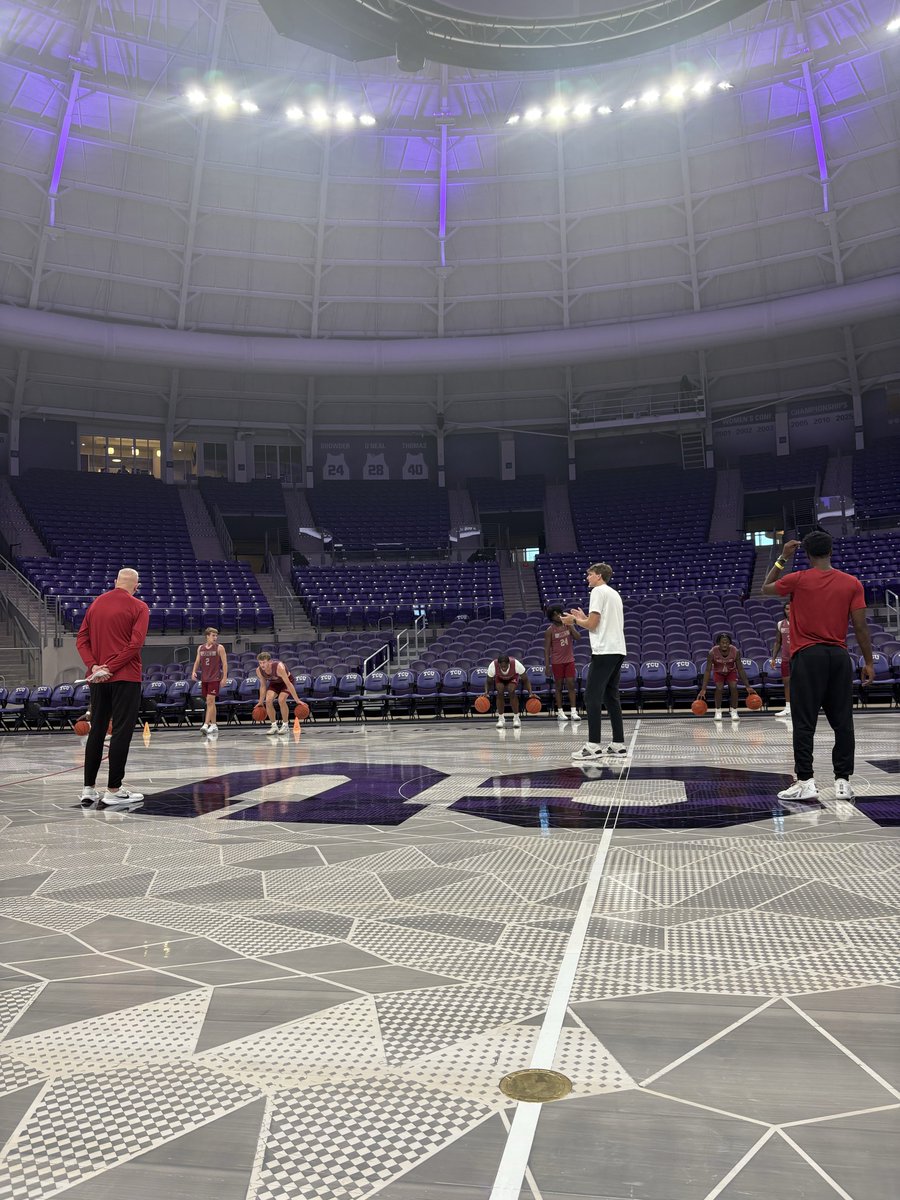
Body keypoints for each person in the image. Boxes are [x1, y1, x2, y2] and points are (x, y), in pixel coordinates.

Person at [762, 531, 874, 801]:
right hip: (838, 657)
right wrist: (868, 661)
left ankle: (805, 781)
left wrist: (782, 558)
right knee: (843, 722)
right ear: (831, 551)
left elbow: (766, 588)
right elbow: (860, 626)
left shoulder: (798, 579)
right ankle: (843, 782)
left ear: (808, 554)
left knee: (804, 723)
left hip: (808, 657)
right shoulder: (851, 583)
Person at [76, 567, 149, 808]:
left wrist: (95, 667)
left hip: (98, 679)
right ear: (136, 586)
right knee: (121, 731)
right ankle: (114, 789)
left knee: (97, 730)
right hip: (125, 677)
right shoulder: (139, 607)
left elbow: (81, 640)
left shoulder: (96, 603)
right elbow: (135, 644)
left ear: (116, 582)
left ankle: (88, 788)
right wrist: (111, 666)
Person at [562, 562, 626, 760]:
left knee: (591, 697)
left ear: (599, 576)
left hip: (604, 650)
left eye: (589, 574)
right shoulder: (614, 593)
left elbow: (592, 623)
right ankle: (618, 744)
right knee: (611, 697)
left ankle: (593, 746)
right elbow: (595, 623)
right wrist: (584, 617)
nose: (587, 578)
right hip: (618, 649)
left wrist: (574, 621)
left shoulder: (598, 592)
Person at [698, 633, 757, 722]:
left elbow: (740, 669)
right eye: (722, 642)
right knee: (719, 688)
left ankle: (734, 711)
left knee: (733, 687)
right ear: (718, 643)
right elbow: (707, 671)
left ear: (730, 643)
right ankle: (718, 711)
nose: (725, 644)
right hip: (718, 672)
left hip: (731, 671)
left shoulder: (735, 651)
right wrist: (703, 689)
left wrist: (747, 686)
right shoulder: (712, 652)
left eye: (727, 642)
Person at [544, 606, 581, 722]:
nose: (558, 616)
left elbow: (578, 637)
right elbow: (546, 650)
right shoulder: (550, 630)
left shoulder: (568, 625)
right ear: (551, 617)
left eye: (559, 613)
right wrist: (547, 666)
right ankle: (560, 712)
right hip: (557, 662)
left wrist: (571, 626)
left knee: (571, 685)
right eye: (555, 615)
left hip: (569, 660)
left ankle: (574, 712)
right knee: (558, 687)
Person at [191, 627, 228, 736]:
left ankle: (206, 724)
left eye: (216, 636)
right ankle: (214, 725)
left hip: (215, 678)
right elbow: (197, 661)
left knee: (210, 701)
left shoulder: (219, 648)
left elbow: (225, 663)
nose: (215, 638)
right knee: (210, 702)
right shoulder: (200, 648)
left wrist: (224, 677)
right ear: (207, 636)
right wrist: (193, 671)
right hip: (205, 678)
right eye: (213, 635)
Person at [256, 651, 303, 735]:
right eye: (260, 663)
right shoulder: (259, 670)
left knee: (281, 700)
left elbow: (288, 683)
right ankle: (274, 726)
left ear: (270, 661)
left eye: (264, 662)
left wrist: (297, 700)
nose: (262, 665)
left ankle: (285, 725)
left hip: (286, 682)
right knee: (268, 701)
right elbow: (263, 686)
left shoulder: (279, 667)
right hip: (275, 683)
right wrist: (260, 702)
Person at [484, 653, 533, 729]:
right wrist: (486, 692)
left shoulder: (516, 664)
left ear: (509, 663)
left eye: (505, 666)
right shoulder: (493, 665)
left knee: (511, 690)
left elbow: (526, 680)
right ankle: (501, 719)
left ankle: (516, 718)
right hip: (500, 678)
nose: (503, 668)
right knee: (499, 691)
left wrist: (530, 693)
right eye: (502, 666)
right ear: (498, 664)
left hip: (512, 677)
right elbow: (488, 681)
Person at [770, 602, 792, 718]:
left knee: (801, 683)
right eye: (787, 609)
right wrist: (773, 658)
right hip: (785, 658)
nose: (789, 611)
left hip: (799, 658)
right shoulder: (780, 624)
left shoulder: (800, 622)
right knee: (786, 683)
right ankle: (788, 708)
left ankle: (802, 707)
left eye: (791, 609)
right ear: (784, 610)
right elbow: (778, 642)